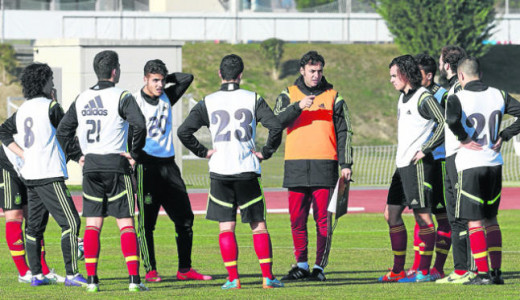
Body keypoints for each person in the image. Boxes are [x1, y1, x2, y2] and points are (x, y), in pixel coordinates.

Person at [178, 54, 283, 290]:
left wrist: (203, 152)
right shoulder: (252, 98)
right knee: (258, 225)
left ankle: (233, 279)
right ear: (241, 75)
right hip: (246, 169)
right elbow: (275, 126)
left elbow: (184, 131)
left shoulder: (209, 100)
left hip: (220, 171)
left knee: (226, 226)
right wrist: (266, 152)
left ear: (219, 74)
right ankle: (267, 278)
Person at [56, 50, 148, 292]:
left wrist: (78, 156)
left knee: (93, 225)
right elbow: (139, 125)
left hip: (92, 167)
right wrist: (135, 155)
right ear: (115, 71)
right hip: (116, 165)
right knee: (126, 223)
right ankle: (133, 281)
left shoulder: (82, 97)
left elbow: (63, 132)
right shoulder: (123, 95)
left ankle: (93, 282)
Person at [0, 63, 85, 287]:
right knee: (71, 223)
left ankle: (36, 275)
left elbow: (3, 132)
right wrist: (79, 157)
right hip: (49, 174)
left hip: (30, 176)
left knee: (34, 228)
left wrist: (23, 154)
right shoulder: (51, 106)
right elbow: (67, 132)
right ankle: (72, 275)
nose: (53, 84)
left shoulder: (24, 109)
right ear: (44, 82)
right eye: (51, 80)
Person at [274, 50, 353, 282]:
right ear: (302, 71)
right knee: (297, 220)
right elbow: (276, 121)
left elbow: (345, 132)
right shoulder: (288, 94)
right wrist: (298, 106)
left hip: (325, 165)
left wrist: (346, 163)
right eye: (312, 71)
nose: (316, 75)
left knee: (323, 221)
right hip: (296, 165)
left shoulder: (334, 97)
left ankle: (319, 267)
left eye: (319, 71)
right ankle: (301, 265)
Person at [133, 59, 211, 282]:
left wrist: (168, 80)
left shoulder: (167, 96)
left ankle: (184, 269)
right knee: (147, 223)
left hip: (169, 165)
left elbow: (187, 78)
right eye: (155, 80)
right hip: (146, 166)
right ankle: (150, 270)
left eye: (162, 80)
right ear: (145, 79)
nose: (159, 85)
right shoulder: (134, 101)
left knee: (185, 218)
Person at [446, 57, 520, 284]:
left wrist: (464, 138)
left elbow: (451, 120)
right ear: (480, 73)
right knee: (491, 219)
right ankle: (496, 273)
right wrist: (505, 135)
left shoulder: (457, 97)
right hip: (494, 164)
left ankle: (482, 273)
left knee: (474, 221)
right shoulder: (499, 94)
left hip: (470, 164)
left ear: (460, 76)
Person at [378, 55, 445, 283]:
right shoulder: (402, 98)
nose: (391, 80)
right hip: (401, 165)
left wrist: (426, 148)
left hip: (417, 166)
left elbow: (443, 122)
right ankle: (398, 270)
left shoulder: (423, 97)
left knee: (423, 217)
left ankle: (423, 272)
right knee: (391, 214)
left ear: (406, 74)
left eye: (394, 76)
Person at [0, 115, 65, 284]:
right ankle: (23, 272)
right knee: (14, 216)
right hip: (8, 163)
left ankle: (42, 270)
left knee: (34, 217)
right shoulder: (28, 110)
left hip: (31, 168)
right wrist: (22, 154)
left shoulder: (54, 114)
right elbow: (4, 132)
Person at [404, 54, 451, 280]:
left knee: (442, 217)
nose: (412, 77)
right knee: (420, 214)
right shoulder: (412, 95)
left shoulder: (443, 96)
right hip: (419, 162)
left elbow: (449, 126)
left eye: (417, 74)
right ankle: (418, 266)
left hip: (439, 162)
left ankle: (438, 268)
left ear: (429, 76)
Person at [435, 45, 477, 284]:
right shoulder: (451, 89)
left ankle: (468, 268)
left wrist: (464, 139)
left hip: (461, 156)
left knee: (464, 213)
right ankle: (460, 269)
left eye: (441, 62)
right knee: (454, 215)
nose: (440, 66)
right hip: (451, 156)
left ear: (447, 66)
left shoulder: (460, 90)